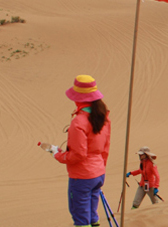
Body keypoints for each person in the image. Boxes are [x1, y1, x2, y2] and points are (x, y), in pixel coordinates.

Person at [55, 75, 112, 227]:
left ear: (78, 98)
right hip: (98, 173)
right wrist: (99, 168)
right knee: (92, 212)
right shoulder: (103, 117)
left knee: (80, 215)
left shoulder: (79, 121)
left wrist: (59, 155)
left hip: (82, 176)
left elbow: (79, 154)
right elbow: (105, 148)